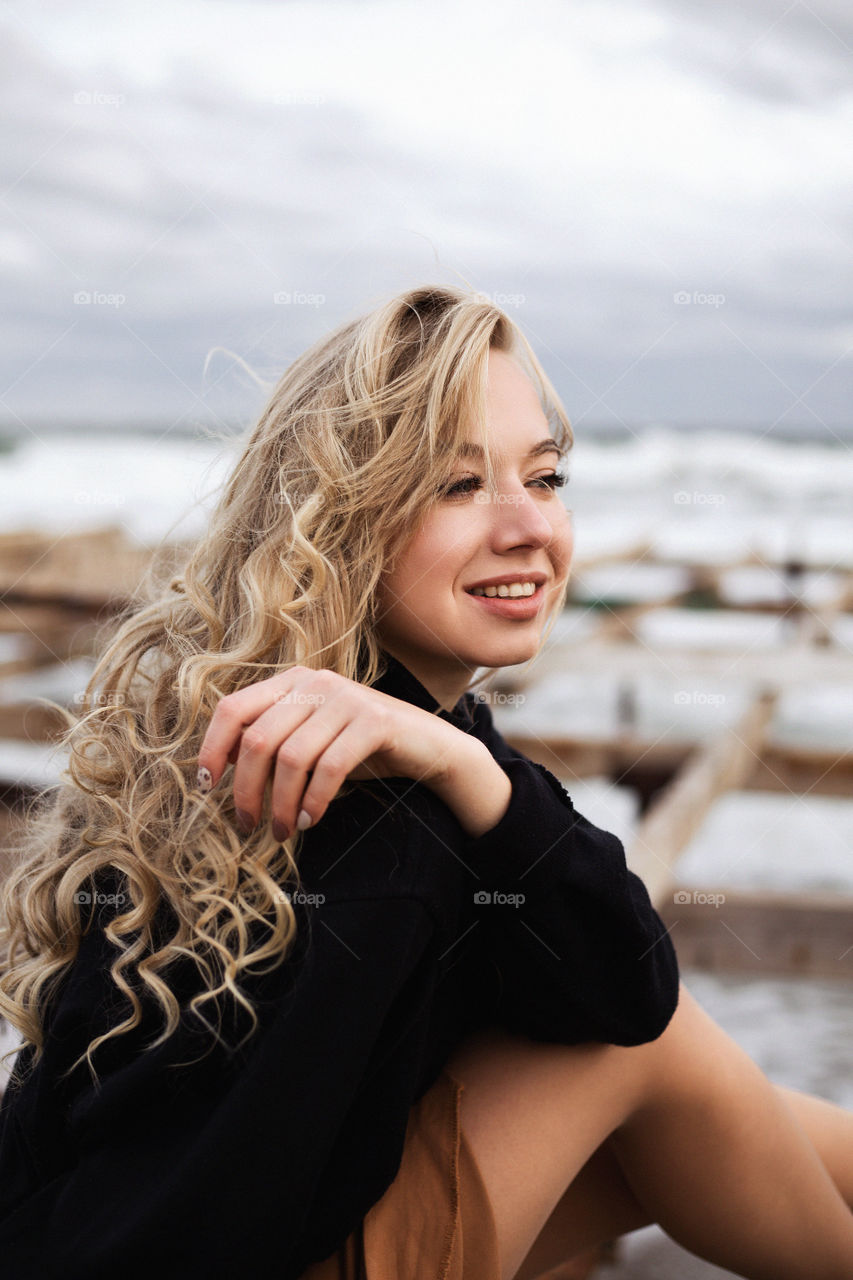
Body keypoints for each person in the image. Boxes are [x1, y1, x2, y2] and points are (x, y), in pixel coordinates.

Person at [0, 285, 850, 1280]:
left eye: (545, 476)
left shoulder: (363, 729)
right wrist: (460, 772)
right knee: (643, 1055)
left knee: (680, 1118)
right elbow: (634, 1001)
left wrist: (463, 761)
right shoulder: (363, 813)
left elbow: (608, 966)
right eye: (457, 485)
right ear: (338, 519)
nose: (529, 526)